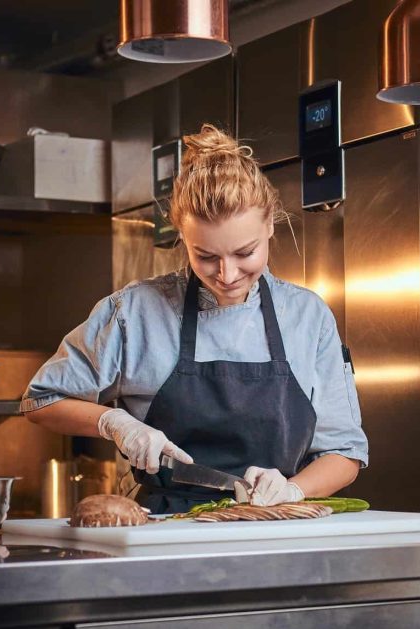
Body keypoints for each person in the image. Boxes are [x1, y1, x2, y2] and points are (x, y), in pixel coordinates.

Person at [23, 124, 368, 513]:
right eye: (205, 256)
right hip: (165, 531)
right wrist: (115, 423)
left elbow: (345, 452)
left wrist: (292, 489)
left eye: (245, 253)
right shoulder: (134, 313)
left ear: (270, 224)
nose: (227, 273)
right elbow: (41, 401)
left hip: (278, 528)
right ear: (183, 239)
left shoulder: (307, 316)